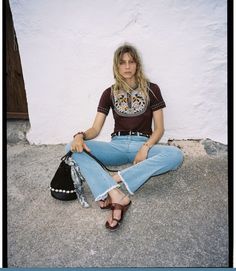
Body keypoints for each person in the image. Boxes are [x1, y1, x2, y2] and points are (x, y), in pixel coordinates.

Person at [66, 43, 184, 231]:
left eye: (131, 62)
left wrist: (145, 148)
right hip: (117, 146)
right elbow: (96, 129)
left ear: (137, 64)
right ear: (116, 66)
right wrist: (80, 136)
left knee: (175, 156)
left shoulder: (152, 89)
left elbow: (159, 129)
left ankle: (115, 180)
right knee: (71, 147)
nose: (127, 67)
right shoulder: (109, 93)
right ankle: (116, 195)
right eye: (122, 63)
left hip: (143, 143)